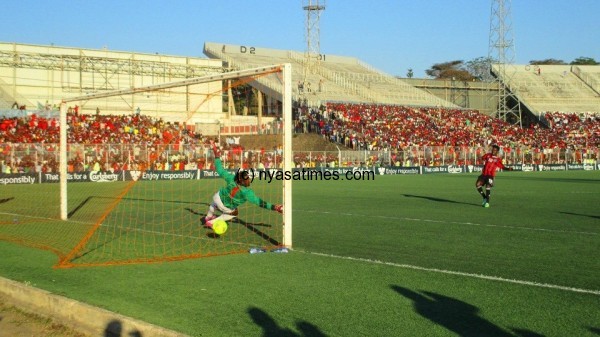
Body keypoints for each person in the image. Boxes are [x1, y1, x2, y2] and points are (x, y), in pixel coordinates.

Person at [202, 143, 283, 229]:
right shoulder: (247, 192)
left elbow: (220, 169)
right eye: (247, 178)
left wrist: (217, 156)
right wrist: (275, 207)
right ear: (244, 181)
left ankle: (208, 217)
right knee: (234, 213)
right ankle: (211, 222)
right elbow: (259, 202)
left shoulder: (231, 178)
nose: (248, 179)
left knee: (216, 200)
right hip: (225, 206)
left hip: (217, 197)